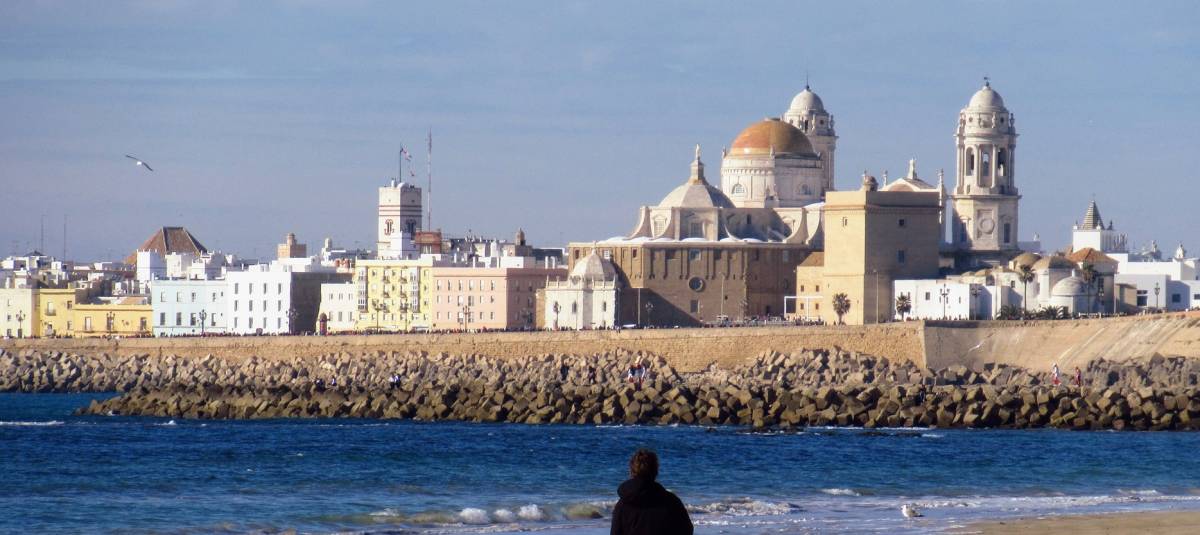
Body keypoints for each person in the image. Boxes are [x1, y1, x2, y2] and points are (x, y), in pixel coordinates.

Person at [610, 449, 692, 535]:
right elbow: (687, 530)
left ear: (631, 471)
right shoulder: (671, 501)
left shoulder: (622, 505)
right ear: (655, 471)